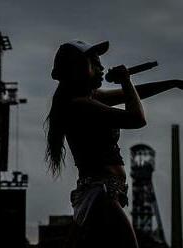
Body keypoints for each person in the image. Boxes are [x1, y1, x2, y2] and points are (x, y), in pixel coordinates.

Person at [44, 40, 183, 248]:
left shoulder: (89, 98)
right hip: (101, 192)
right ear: (77, 69)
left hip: (105, 192)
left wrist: (172, 83)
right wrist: (125, 80)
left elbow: (135, 94)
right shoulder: (80, 105)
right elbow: (137, 118)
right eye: (95, 63)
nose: (101, 68)